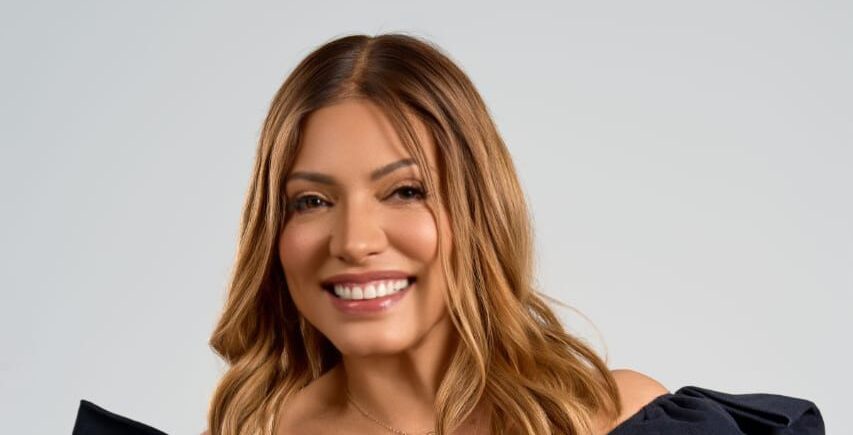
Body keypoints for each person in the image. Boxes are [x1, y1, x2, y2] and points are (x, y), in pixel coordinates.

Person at [71, 33, 824, 435]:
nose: (354, 240)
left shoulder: (617, 419)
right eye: (311, 201)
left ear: (477, 211)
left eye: (404, 191)